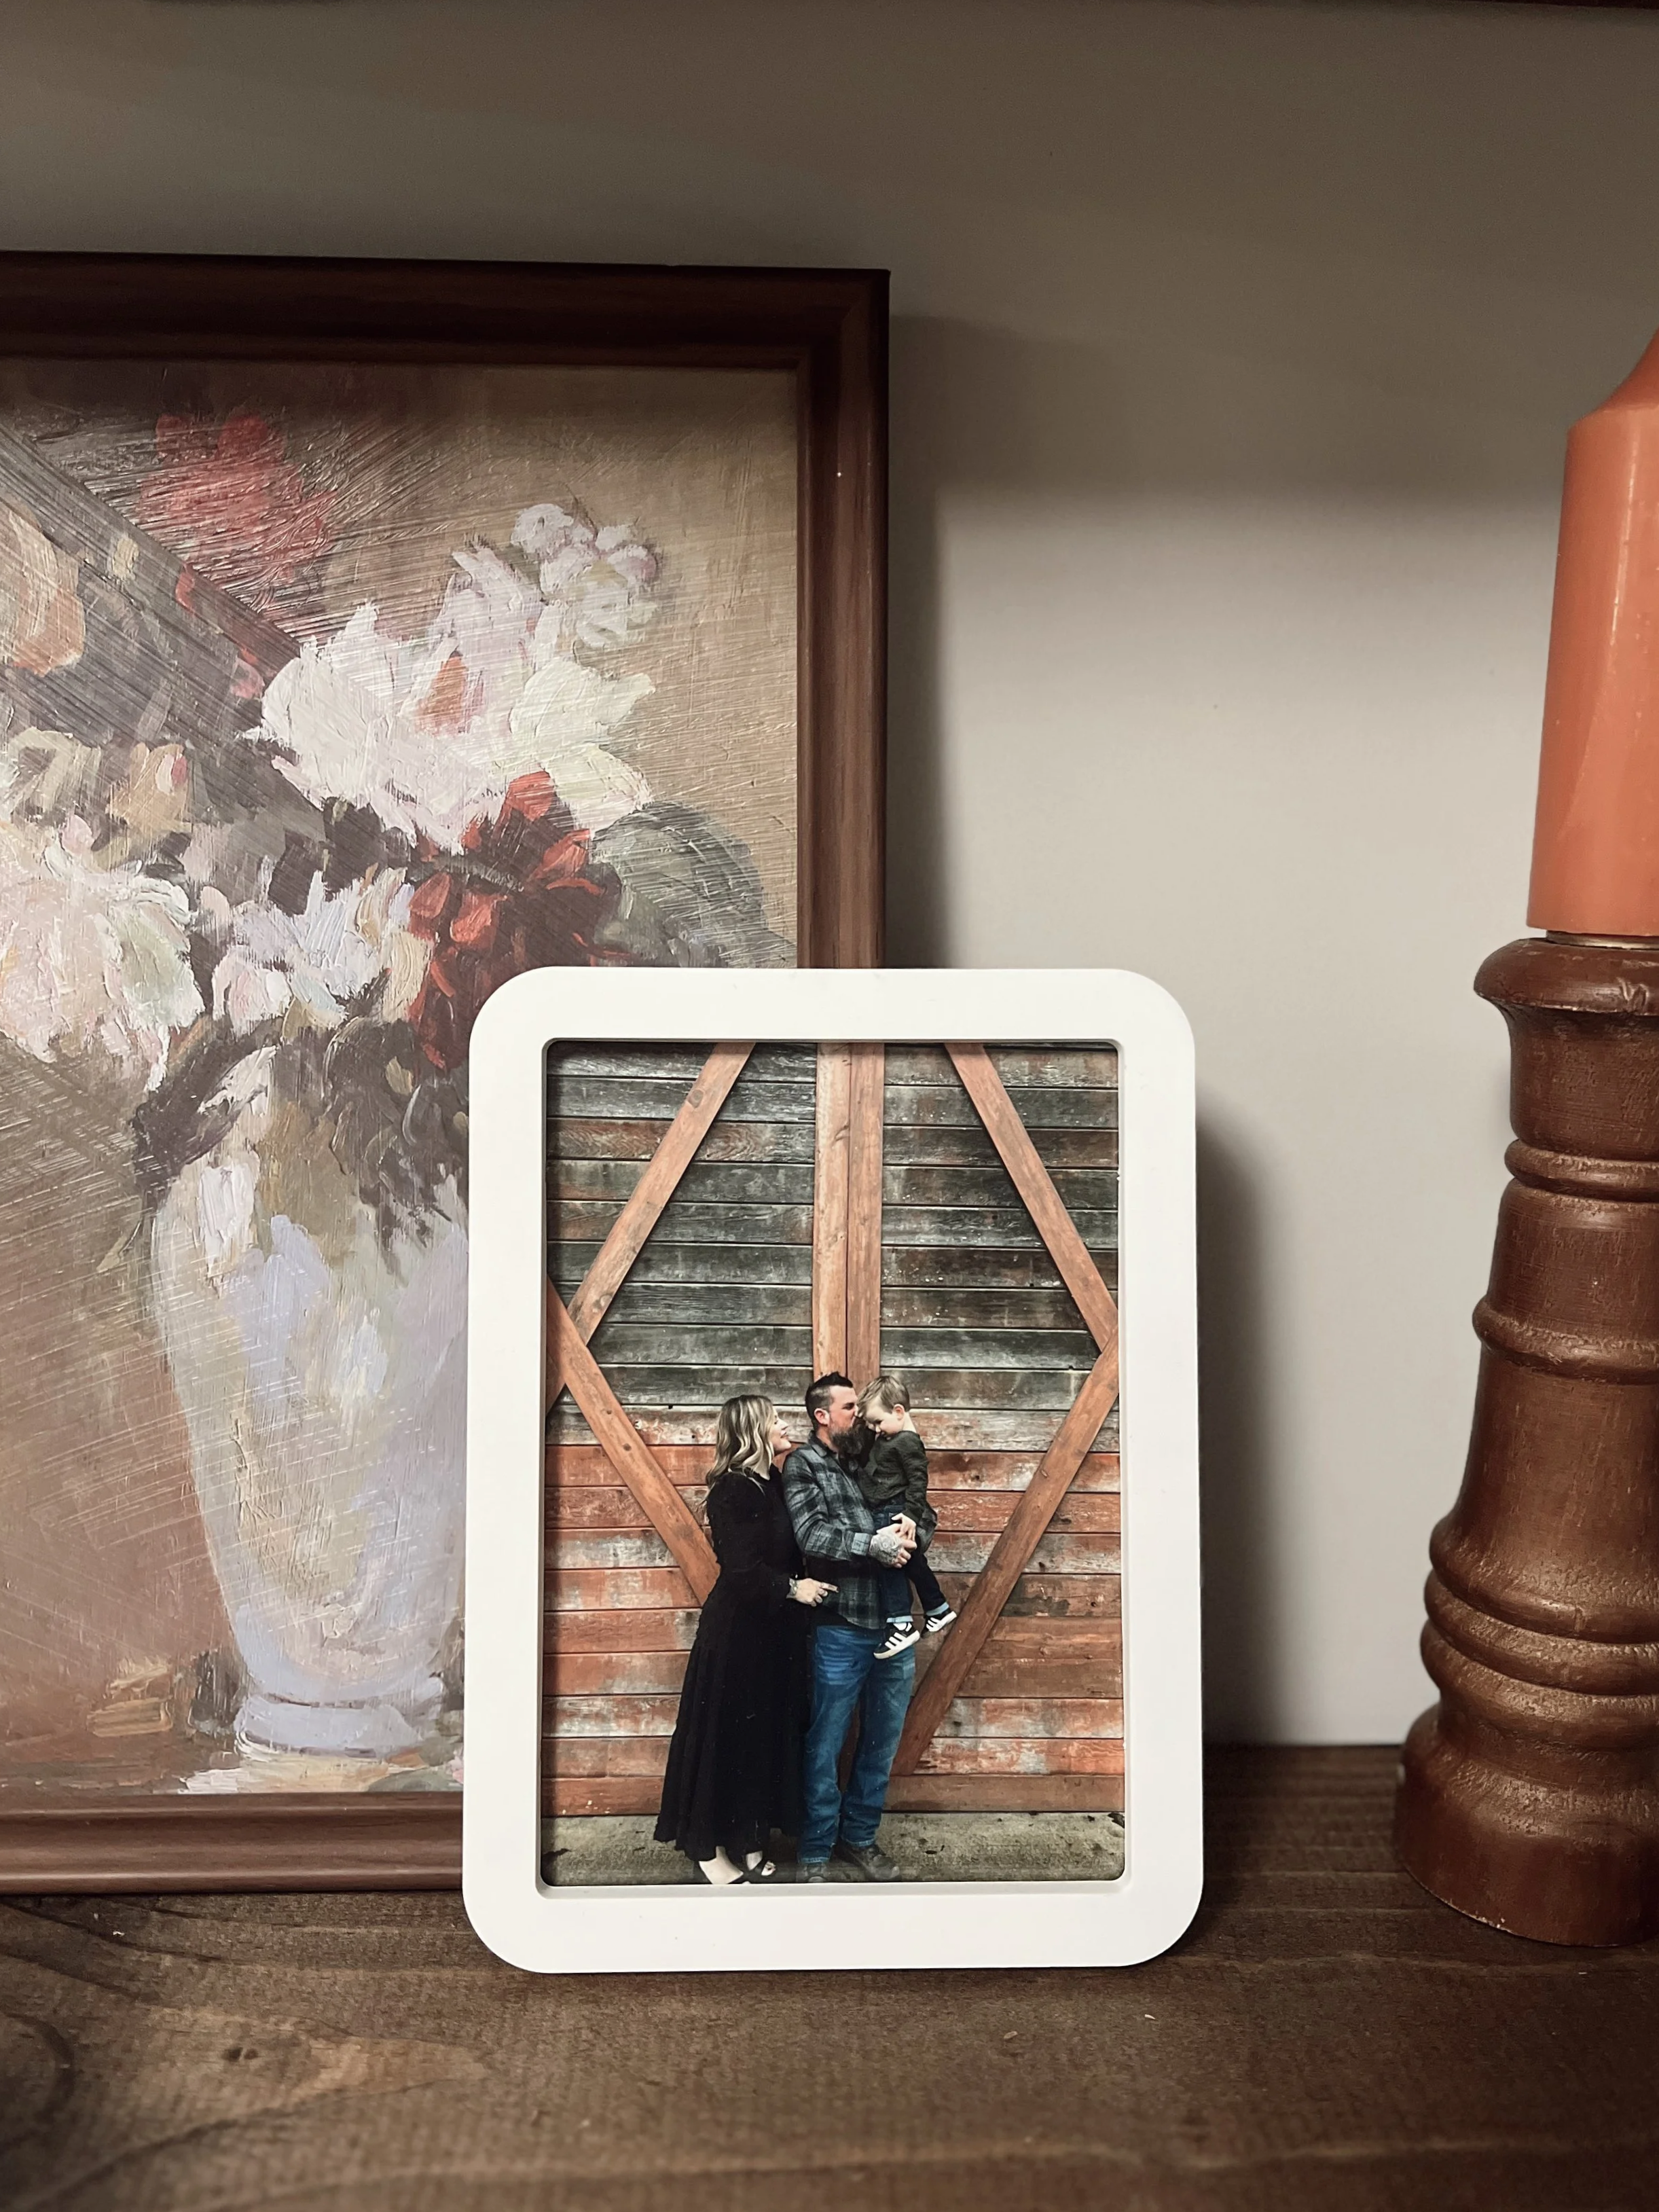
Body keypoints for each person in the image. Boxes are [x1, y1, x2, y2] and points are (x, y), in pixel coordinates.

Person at [655, 1394, 835, 1885]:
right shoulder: (731, 1491)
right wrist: (793, 1587)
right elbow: (739, 1569)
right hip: (737, 1636)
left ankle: (748, 1839)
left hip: (774, 1634)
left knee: (761, 1740)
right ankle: (707, 1850)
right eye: (775, 1419)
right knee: (726, 1740)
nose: (783, 1426)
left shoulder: (771, 1481)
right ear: (754, 1430)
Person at [780, 1372, 919, 1883]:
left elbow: (919, 1502)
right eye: (847, 1408)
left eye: (860, 1407)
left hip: (895, 1628)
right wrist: (870, 1545)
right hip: (841, 1625)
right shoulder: (803, 1464)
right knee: (826, 1740)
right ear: (822, 1415)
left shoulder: (876, 1451)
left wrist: (915, 1527)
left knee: (882, 1739)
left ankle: (859, 1838)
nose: (857, 1415)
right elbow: (812, 1533)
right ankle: (815, 1851)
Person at [854, 1375, 956, 1660]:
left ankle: (900, 1623)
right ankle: (937, 1609)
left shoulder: (907, 1442)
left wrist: (911, 1515)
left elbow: (918, 1479)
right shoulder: (892, 1437)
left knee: (889, 1563)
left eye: (878, 1422)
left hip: (894, 1509)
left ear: (899, 1411)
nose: (875, 1429)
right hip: (888, 1507)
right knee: (911, 1563)